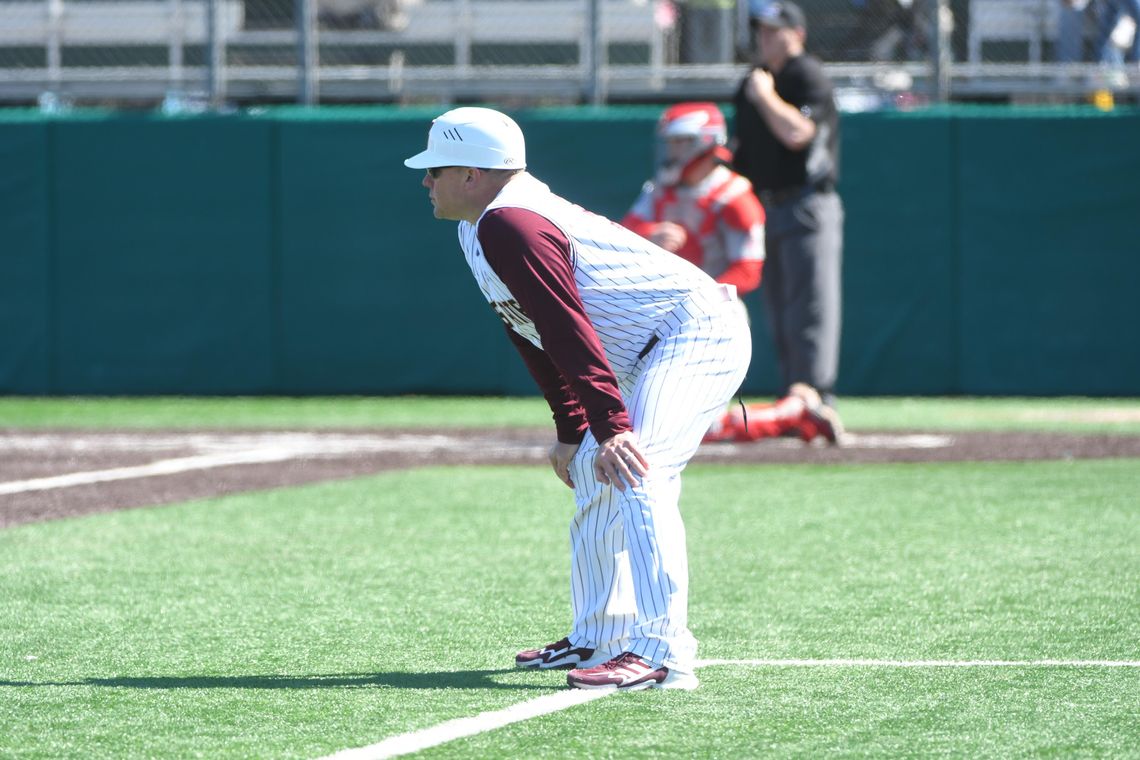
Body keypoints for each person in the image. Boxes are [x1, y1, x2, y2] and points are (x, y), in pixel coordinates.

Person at [404, 107, 751, 691]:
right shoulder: (478, 226)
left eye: (435, 169)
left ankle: (662, 652)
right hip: (647, 350)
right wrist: (573, 428)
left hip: (693, 333)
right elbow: (527, 325)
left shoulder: (510, 222)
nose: (425, 180)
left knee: (640, 470)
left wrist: (612, 425)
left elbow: (568, 328)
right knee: (595, 470)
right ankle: (602, 634)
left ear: (472, 174)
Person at [620, 101, 840, 445]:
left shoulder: (734, 197)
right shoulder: (661, 188)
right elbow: (623, 234)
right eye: (671, 142)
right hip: (663, 312)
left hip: (713, 313)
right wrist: (649, 235)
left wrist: (695, 294)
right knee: (638, 416)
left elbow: (748, 271)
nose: (672, 150)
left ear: (704, 142)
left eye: (681, 141)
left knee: (684, 427)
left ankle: (793, 413)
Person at [732, 1, 845, 428]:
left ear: (797, 33)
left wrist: (765, 96)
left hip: (806, 202)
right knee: (779, 307)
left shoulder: (803, 73)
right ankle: (793, 399)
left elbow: (798, 133)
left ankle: (818, 396)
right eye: (760, 30)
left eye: (774, 30)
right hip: (763, 204)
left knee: (810, 303)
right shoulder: (752, 80)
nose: (764, 38)